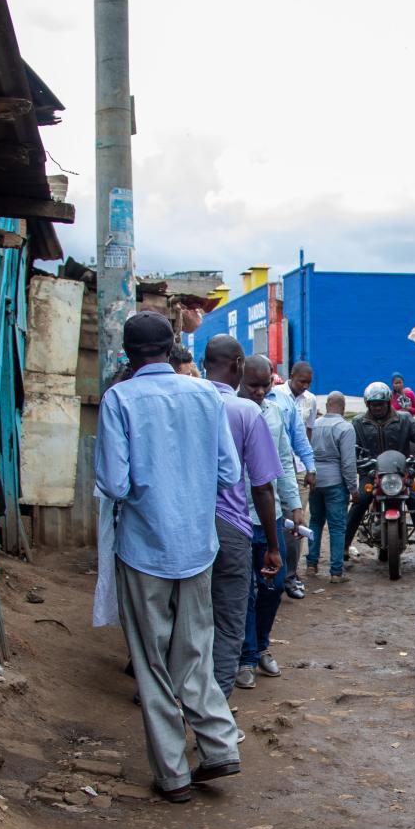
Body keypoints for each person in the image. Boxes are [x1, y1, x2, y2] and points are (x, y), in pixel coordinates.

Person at [94, 314, 245, 803]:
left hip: (143, 548)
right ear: (172, 348)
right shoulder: (204, 394)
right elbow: (229, 472)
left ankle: (174, 774)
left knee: (151, 662)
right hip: (197, 545)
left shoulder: (119, 399)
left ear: (129, 353)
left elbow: (114, 484)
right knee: (195, 651)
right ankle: (219, 745)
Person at [200, 336, 283, 698]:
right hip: (231, 528)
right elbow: (262, 487)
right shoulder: (245, 411)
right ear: (237, 365)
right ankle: (214, 719)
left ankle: (182, 705)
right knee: (229, 624)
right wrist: (274, 546)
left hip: (183, 527)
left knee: (189, 622)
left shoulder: (188, 402)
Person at [238, 355, 301, 689]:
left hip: (271, 514)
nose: (260, 392)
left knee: (273, 586)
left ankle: (262, 645)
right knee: (243, 590)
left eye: (265, 385)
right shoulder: (228, 411)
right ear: (239, 378)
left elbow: (284, 463)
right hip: (237, 514)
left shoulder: (274, 412)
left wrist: (294, 504)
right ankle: (247, 657)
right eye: (253, 385)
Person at [345, 382, 415, 567]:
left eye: (380, 404)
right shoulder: (358, 423)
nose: (377, 407)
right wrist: (358, 461)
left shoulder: (404, 420)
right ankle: (344, 547)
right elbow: (349, 447)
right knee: (360, 502)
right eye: (373, 404)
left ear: (388, 402)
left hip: (400, 473)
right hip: (371, 472)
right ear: (367, 404)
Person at [263, 373, 315, 599]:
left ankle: (290, 576)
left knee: (292, 528)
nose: (259, 390)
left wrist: (310, 467)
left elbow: (294, 444)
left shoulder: (283, 404)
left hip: (284, 475)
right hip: (251, 482)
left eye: (263, 383)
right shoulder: (238, 403)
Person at [307, 391, 358, 583]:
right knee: (337, 527)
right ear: (343, 407)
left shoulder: (316, 425)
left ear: (327, 405)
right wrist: (353, 488)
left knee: (315, 521)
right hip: (335, 482)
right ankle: (336, 572)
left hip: (315, 480)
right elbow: (347, 463)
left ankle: (311, 564)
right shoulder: (345, 428)